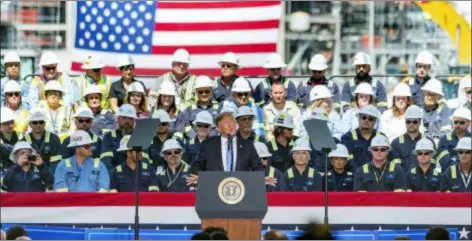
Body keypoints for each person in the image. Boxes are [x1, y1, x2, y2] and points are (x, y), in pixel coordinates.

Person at [190, 108, 263, 178]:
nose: (231, 125)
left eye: (233, 122)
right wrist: (199, 178)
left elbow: (258, 167)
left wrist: (260, 178)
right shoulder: (207, 145)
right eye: (226, 122)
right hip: (214, 187)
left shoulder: (248, 145)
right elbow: (197, 166)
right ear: (218, 128)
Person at [174, 75, 219, 141]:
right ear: (196, 92)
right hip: (194, 144)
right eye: (200, 92)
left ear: (211, 91)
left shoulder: (219, 109)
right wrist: (197, 137)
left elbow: (220, 127)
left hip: (213, 142)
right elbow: (186, 127)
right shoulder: (189, 110)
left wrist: (208, 137)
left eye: (207, 91)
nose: (204, 94)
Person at [341, 105, 383, 171]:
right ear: (358, 118)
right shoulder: (347, 137)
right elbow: (348, 162)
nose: (366, 120)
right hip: (354, 177)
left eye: (370, 119)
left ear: (375, 122)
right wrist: (360, 175)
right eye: (363, 117)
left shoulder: (382, 138)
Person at [100, 104, 137, 170]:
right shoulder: (109, 137)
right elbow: (106, 162)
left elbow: (144, 161)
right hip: (115, 176)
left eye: (130, 119)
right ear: (118, 118)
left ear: (134, 121)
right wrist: (117, 176)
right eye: (124, 118)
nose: (127, 121)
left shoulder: (139, 137)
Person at [391, 105, 427, 172]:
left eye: (415, 122)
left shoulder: (427, 142)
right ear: (405, 122)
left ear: (420, 122)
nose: (411, 124)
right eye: (408, 121)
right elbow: (394, 168)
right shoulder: (396, 143)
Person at [421, 78, 451, 143]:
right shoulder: (419, 110)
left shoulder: (444, 109)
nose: (429, 97)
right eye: (428, 94)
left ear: (438, 96)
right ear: (424, 94)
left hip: (440, 144)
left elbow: (447, 132)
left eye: (432, 95)